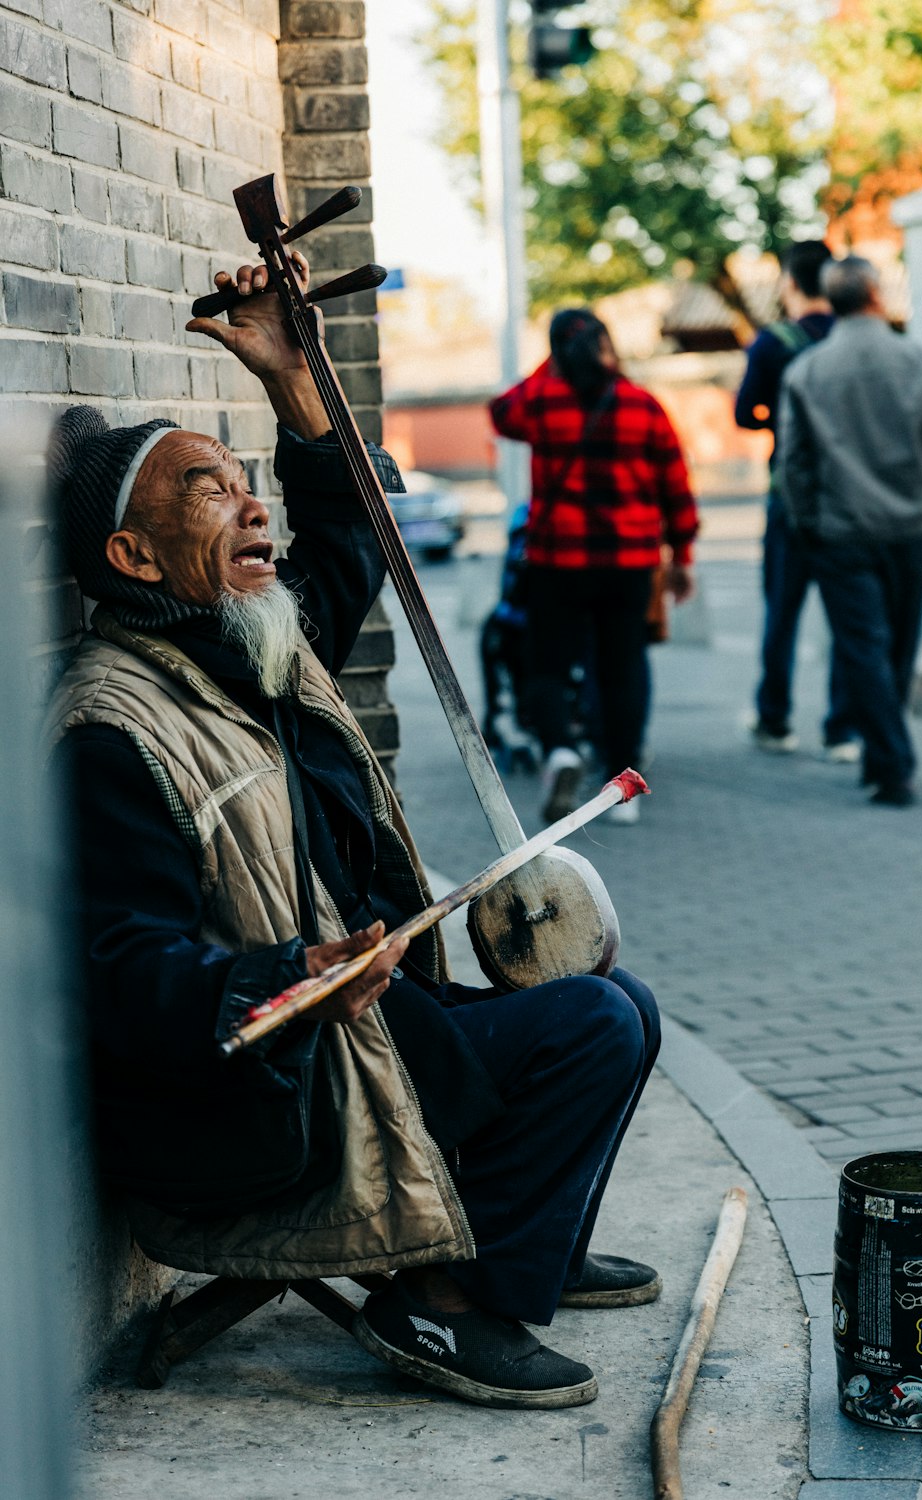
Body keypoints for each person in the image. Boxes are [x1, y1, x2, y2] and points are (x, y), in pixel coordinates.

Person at [46, 254, 663, 1412]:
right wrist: (291, 982)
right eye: (209, 491)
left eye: (243, 481)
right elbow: (121, 973)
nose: (252, 505)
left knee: (621, 1000)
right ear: (130, 558)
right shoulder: (110, 728)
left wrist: (294, 381)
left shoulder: (255, 648)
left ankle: (520, 1242)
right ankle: (444, 1301)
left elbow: (344, 534)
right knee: (586, 1029)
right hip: (273, 1093)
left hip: (366, 1037)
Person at [778, 255, 922, 806]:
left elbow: (792, 462)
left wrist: (808, 519)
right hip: (913, 523)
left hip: (840, 530)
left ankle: (885, 759)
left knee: (862, 646)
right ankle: (891, 761)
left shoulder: (807, 371)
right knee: (900, 643)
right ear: (875, 295)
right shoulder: (920, 359)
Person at [489, 309, 699, 827]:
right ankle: (621, 786)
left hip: (558, 563)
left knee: (547, 667)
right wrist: (683, 557)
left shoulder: (540, 402)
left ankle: (560, 749)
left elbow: (500, 412)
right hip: (629, 564)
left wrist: (553, 362)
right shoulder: (643, 405)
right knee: (622, 669)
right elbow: (676, 489)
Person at [735, 239, 857, 759]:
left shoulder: (772, 343)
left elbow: (744, 414)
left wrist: (778, 421)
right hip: (846, 497)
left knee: (781, 613)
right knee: (848, 617)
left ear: (789, 282)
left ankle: (776, 720)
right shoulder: (853, 340)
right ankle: (842, 730)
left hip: (788, 496)